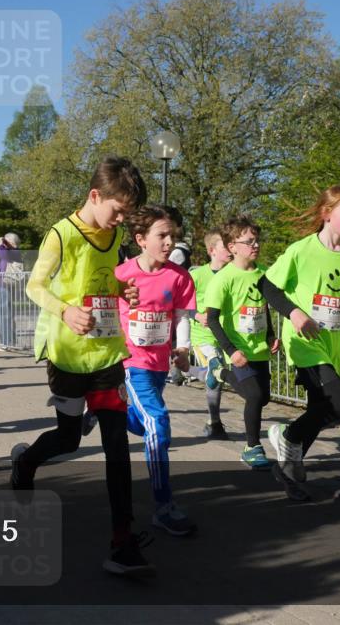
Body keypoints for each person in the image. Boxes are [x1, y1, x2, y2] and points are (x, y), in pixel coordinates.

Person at [11, 156, 154, 577]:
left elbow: (104, 280)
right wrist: (66, 311)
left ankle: (122, 541)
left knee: (116, 444)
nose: (121, 220)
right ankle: (26, 462)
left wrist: (121, 291)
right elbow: (34, 285)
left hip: (106, 353)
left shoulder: (114, 236)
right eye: (118, 210)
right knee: (69, 438)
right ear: (95, 195)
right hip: (67, 354)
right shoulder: (61, 234)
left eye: (127, 213)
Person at [259, 186, 340, 501]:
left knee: (319, 409)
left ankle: (289, 471)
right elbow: (267, 286)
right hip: (304, 341)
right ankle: (287, 435)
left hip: (332, 344)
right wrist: (294, 313)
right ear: (327, 213)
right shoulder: (302, 250)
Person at [116, 205, 198, 537]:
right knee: (158, 425)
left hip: (158, 364)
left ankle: (105, 407)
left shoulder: (179, 277)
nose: (169, 242)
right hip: (130, 363)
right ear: (141, 239)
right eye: (161, 236)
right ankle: (163, 507)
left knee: (141, 424)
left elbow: (181, 316)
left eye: (172, 236)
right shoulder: (121, 275)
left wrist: (183, 349)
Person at [204, 216, 279, 469]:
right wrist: (231, 351)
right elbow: (212, 319)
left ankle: (219, 373)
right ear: (232, 246)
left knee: (263, 397)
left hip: (259, 349)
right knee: (254, 396)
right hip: (237, 351)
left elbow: (263, 309)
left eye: (257, 240)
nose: (255, 245)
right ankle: (252, 448)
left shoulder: (263, 274)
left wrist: (270, 335)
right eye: (249, 241)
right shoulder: (223, 278)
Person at [189, 229, 233, 439]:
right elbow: (182, 303)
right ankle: (215, 423)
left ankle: (186, 370)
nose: (230, 250)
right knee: (216, 368)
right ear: (212, 250)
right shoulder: (197, 275)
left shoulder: (233, 273)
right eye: (226, 246)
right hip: (203, 335)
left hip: (226, 335)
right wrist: (197, 315)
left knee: (217, 377)